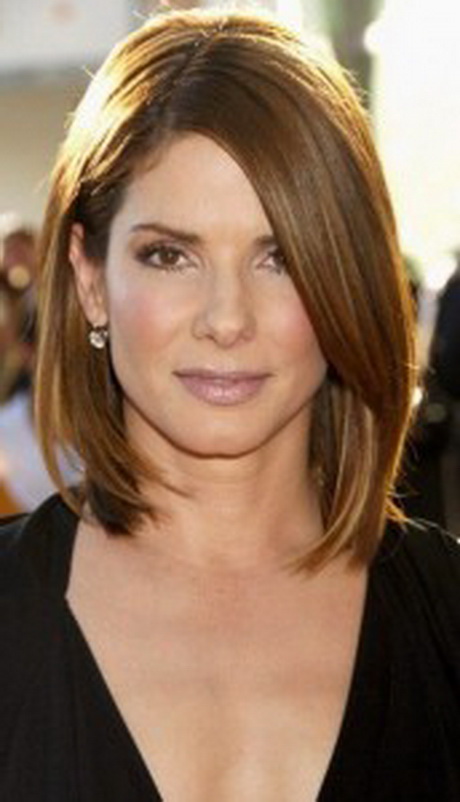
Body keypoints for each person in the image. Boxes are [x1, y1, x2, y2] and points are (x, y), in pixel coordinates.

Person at [0, 8, 459, 801]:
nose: (226, 318)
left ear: (346, 277)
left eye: (279, 257)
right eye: (169, 255)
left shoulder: (447, 617)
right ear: (89, 278)